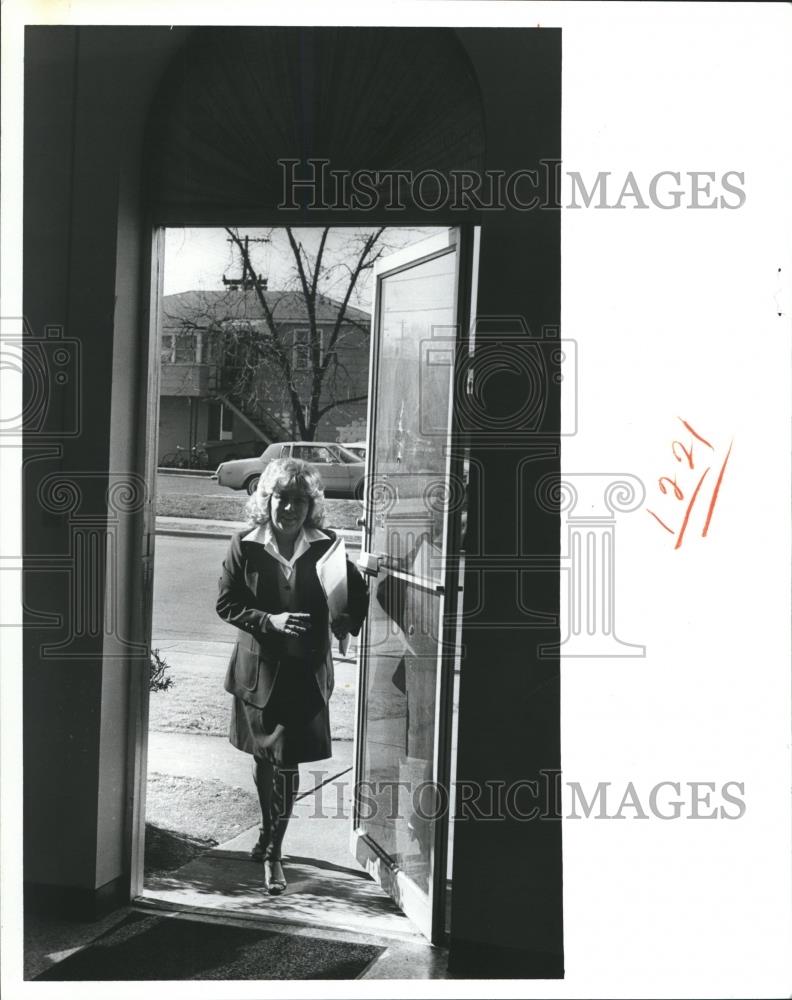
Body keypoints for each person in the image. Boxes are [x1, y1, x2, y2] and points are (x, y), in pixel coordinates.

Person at [216, 457, 368, 895]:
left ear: (310, 506)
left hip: (304, 673)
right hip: (257, 675)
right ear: (268, 500)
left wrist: (346, 620)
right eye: (283, 498)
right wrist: (271, 621)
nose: (291, 509)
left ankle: (276, 852)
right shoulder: (244, 544)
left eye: (300, 501)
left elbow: (354, 597)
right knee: (264, 760)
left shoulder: (328, 546)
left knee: (288, 763)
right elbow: (227, 605)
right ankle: (266, 830)